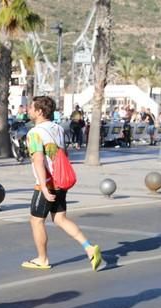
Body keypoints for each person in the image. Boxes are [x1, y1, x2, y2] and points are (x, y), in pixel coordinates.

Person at [22, 95, 101, 272]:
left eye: (31, 108)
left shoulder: (34, 133)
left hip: (47, 183)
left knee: (36, 221)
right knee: (60, 218)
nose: (28, 110)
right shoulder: (58, 128)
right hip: (60, 181)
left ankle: (42, 259)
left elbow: (38, 159)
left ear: (39, 111)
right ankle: (89, 247)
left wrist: (42, 186)